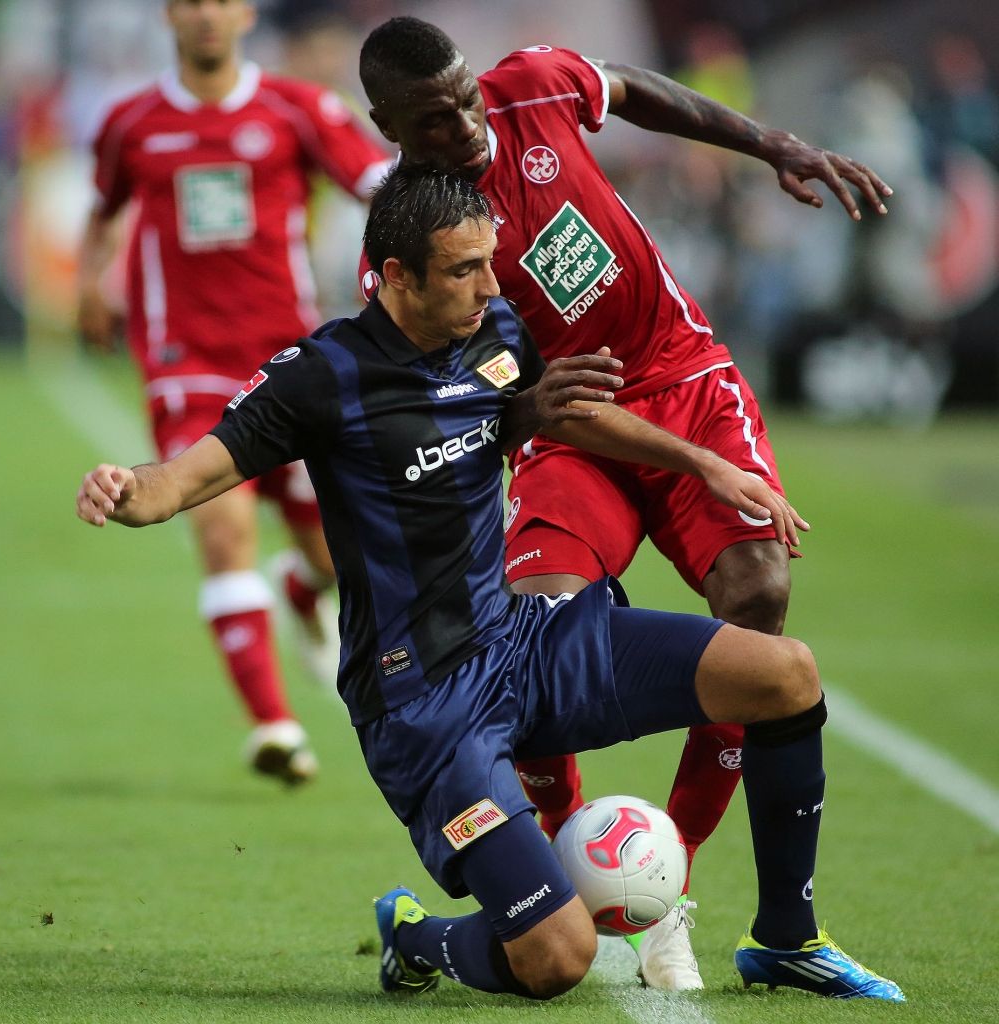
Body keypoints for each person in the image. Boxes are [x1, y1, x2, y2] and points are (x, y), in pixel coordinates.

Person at [75, 165, 903, 1003]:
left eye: (490, 260)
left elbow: (554, 411)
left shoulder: (495, 330)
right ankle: (418, 934)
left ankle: (786, 937)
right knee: (555, 960)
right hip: (426, 706)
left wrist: (703, 464)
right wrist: (125, 489)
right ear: (397, 276)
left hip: (526, 642)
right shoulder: (321, 377)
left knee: (785, 673)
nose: (490, 284)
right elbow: (180, 481)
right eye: (464, 268)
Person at [356, 16, 894, 986]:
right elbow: (482, 402)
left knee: (759, 595)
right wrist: (529, 409)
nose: (464, 126)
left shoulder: (531, 85)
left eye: (464, 99)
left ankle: (695, 901)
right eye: (432, 121)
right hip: (575, 429)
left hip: (684, 374)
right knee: (539, 624)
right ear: (388, 124)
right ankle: (573, 877)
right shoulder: (414, 239)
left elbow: (637, 88)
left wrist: (770, 141)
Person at [77, 0, 390, 783]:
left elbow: (382, 188)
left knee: (330, 552)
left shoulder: (299, 108)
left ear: (246, 13)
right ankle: (274, 726)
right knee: (222, 531)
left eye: (221, 0)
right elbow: (104, 207)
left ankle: (300, 587)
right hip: (185, 362)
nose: (207, 15)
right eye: (191, 2)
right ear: (169, 15)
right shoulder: (132, 122)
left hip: (289, 363)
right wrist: (91, 282)